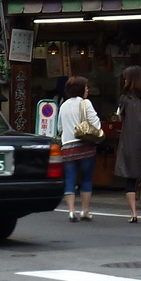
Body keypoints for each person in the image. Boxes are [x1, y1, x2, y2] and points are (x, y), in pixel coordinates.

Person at [113, 66, 141, 223]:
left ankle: (133, 214)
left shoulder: (125, 98)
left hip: (129, 142)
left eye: (126, 78)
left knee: (130, 179)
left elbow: (120, 118)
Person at [57, 76, 100, 223]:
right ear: (81, 89)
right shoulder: (85, 103)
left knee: (70, 178)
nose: (87, 90)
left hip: (67, 147)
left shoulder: (63, 106)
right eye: (86, 87)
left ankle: (71, 211)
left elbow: (59, 128)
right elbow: (96, 124)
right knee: (86, 178)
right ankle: (85, 210)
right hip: (85, 147)